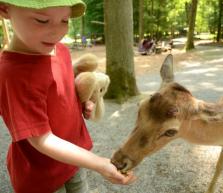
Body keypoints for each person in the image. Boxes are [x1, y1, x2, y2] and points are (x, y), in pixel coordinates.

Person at [0, 1, 136, 193]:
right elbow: (41, 139)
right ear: (5, 9)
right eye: (42, 20)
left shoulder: (59, 49)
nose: (57, 32)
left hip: (74, 160)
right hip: (40, 175)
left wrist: (83, 100)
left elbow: (60, 89)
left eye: (64, 20)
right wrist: (98, 163)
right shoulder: (12, 75)